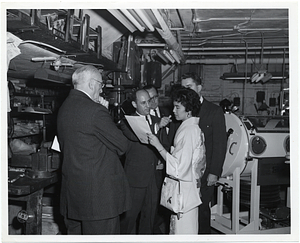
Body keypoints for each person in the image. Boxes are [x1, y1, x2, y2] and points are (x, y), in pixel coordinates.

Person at [57, 65, 131, 234]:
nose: (101, 89)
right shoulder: (96, 111)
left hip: (74, 195)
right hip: (98, 199)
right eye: (100, 84)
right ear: (91, 84)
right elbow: (122, 144)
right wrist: (105, 112)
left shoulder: (64, 108)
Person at [147, 87, 206, 234]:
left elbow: (179, 167)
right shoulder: (191, 128)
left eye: (177, 107)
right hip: (189, 188)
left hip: (185, 192)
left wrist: (158, 146)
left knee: (184, 231)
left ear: (189, 110)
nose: (173, 110)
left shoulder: (189, 131)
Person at [119, 89, 171, 234]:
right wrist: (157, 127)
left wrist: (162, 159)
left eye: (148, 101)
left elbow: (165, 144)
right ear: (135, 104)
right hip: (135, 179)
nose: (148, 105)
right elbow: (141, 136)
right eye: (143, 103)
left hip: (153, 179)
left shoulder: (156, 120)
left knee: (149, 219)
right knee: (129, 219)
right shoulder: (127, 122)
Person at [181, 72, 227, 234]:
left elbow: (220, 144)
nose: (185, 91)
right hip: (185, 171)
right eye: (183, 88)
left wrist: (214, 172)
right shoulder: (181, 111)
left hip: (205, 172)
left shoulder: (214, 111)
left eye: (189, 87)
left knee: (201, 211)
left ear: (199, 88)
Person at [143, 84, 172, 233]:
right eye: (150, 98)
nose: (154, 101)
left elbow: (172, 138)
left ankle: (158, 226)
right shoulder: (142, 115)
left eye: (155, 97)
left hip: (168, 163)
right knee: (151, 203)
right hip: (151, 166)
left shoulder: (168, 112)